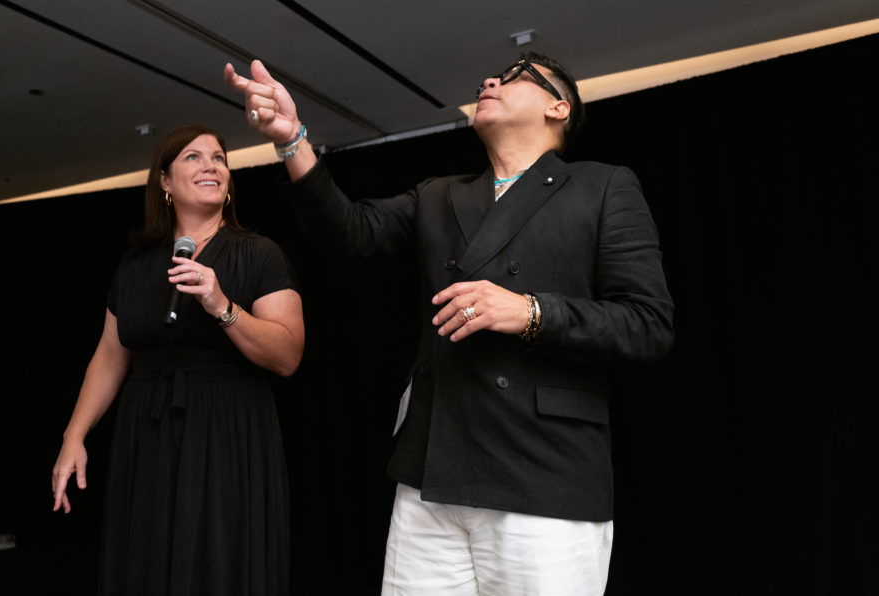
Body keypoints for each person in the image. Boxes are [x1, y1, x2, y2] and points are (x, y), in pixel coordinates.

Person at [224, 54, 674, 595]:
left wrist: (530, 311)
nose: (490, 81)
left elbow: (646, 323)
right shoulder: (440, 193)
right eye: (492, 76)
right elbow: (349, 232)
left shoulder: (602, 187)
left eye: (515, 78)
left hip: (544, 473)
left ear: (559, 107)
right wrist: (291, 138)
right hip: (431, 472)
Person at [51, 125, 304, 595]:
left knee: (217, 565)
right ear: (164, 182)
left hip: (228, 434)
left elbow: (288, 355)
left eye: (219, 158)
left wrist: (222, 306)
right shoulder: (135, 265)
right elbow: (110, 354)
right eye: (193, 157)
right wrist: (74, 435)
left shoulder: (260, 254)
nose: (211, 165)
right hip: (147, 436)